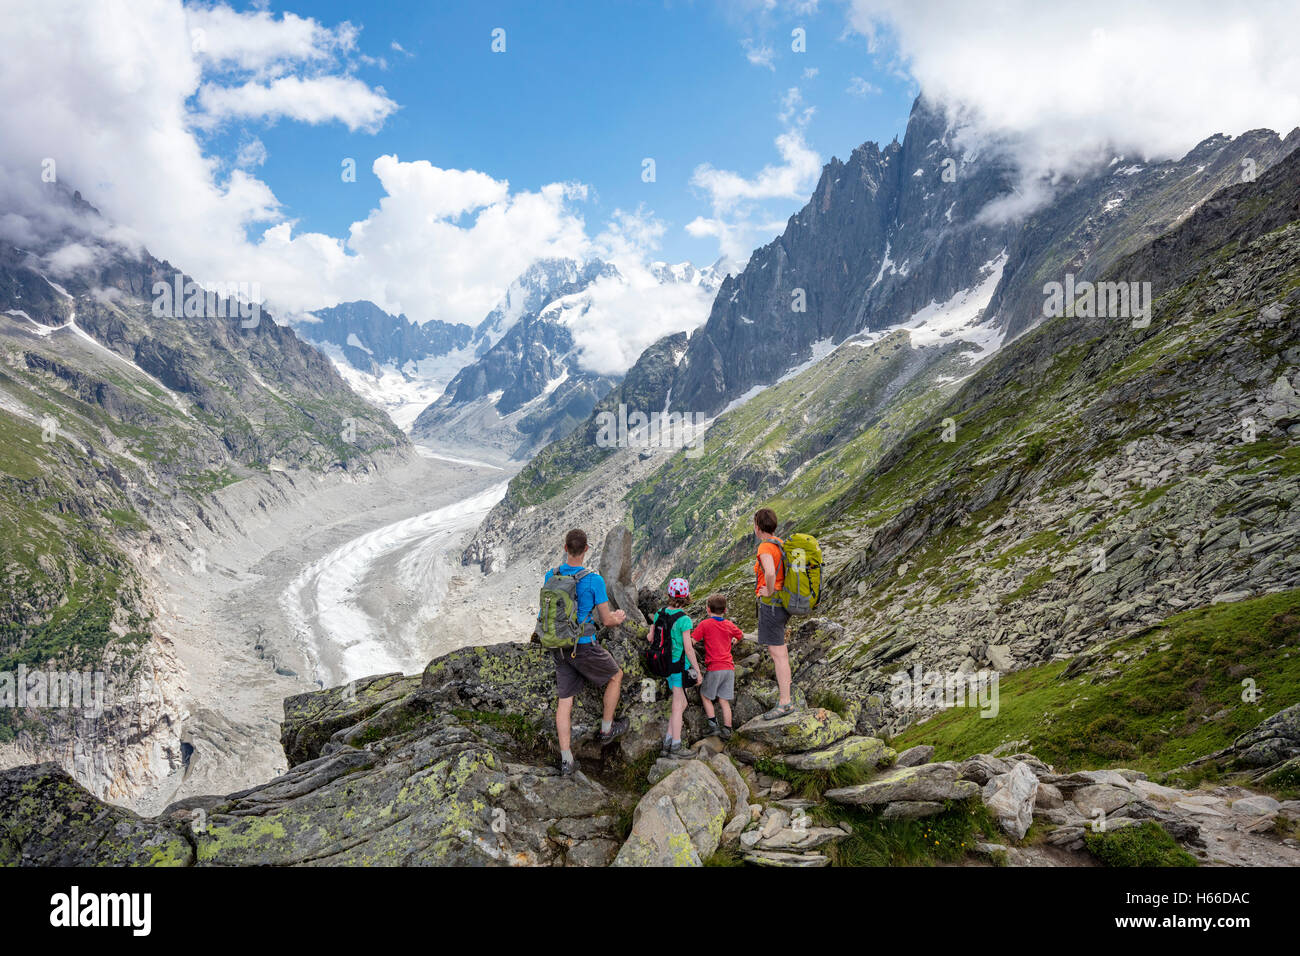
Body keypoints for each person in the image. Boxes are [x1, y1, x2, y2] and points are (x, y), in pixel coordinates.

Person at [545, 528, 629, 776]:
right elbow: (606, 620)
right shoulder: (594, 580)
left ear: (565, 547)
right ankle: (606, 729)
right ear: (587, 550)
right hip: (583, 646)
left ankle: (567, 760)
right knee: (616, 676)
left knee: (565, 701)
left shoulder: (552, 574)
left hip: (559, 646)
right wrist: (619, 616)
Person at [650, 577, 702, 758]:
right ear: (686, 595)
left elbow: (651, 637)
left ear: (669, 594)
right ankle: (676, 746)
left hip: (663, 664)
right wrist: (697, 671)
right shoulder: (684, 620)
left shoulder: (659, 613)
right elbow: (688, 648)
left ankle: (668, 742)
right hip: (678, 665)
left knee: (681, 702)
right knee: (678, 703)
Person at [754, 507, 794, 719]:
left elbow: (769, 572)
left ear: (758, 527)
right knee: (782, 654)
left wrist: (768, 590)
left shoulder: (765, 547)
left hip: (772, 604)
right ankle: (786, 699)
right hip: (783, 603)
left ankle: (785, 703)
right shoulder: (779, 543)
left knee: (778, 655)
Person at [692, 592, 743, 739]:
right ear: (725, 610)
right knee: (723, 700)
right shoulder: (729, 624)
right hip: (729, 668)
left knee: (705, 695)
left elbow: (693, 641)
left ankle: (713, 726)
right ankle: (727, 729)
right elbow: (740, 635)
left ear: (708, 609)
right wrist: (734, 641)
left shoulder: (705, 624)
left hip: (714, 668)